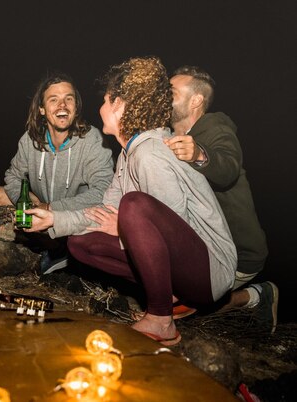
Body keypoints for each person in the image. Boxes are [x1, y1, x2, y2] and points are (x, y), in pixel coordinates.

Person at [26, 57, 237, 345]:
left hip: (211, 270)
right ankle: (170, 295)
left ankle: (162, 319)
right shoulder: (129, 153)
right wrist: (55, 219)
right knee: (80, 243)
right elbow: (104, 211)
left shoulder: (150, 153)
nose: (99, 107)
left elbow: (175, 226)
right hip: (185, 267)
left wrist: (124, 226)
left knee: (134, 205)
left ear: (120, 106)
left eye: (104, 100)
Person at [166, 65, 276, 332]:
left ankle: (258, 296)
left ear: (196, 101)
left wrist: (200, 155)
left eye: (170, 92)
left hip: (240, 253)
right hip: (202, 246)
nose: (163, 96)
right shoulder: (169, 137)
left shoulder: (216, 127)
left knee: (178, 309)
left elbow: (227, 167)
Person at [0, 73, 114, 273]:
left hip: (73, 216)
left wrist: (52, 208)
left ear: (76, 107)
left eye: (69, 99)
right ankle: (49, 248)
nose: (62, 105)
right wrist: (30, 203)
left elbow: (103, 191)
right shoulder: (31, 139)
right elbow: (13, 177)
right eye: (53, 100)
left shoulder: (92, 140)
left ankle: (65, 253)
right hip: (44, 210)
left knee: (100, 211)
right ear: (42, 110)